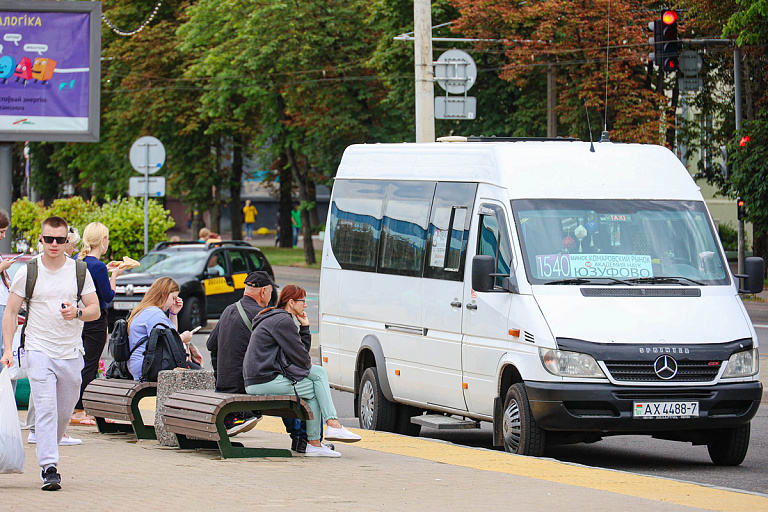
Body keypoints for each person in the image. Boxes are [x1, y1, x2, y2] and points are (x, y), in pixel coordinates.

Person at [1, 216, 100, 491]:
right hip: (37, 348)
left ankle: (49, 451)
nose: (54, 244)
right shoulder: (28, 271)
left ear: (67, 239)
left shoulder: (79, 271)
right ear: (41, 240)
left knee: (63, 412)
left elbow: (95, 309)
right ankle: (49, 467)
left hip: (70, 352)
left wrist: (77, 312)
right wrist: (8, 349)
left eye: (59, 239)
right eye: (48, 239)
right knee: (45, 408)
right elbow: (9, 313)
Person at [244, 284, 360, 457]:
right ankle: (332, 425)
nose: (305, 305)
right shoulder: (283, 321)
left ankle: (315, 444)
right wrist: (304, 332)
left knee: (314, 387)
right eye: (302, 301)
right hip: (264, 381)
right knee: (318, 375)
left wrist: (304, 327)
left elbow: (298, 356)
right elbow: (302, 359)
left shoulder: (275, 318)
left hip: (260, 379)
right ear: (291, 302)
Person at [206, 271, 274, 436]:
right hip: (245, 386)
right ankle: (304, 440)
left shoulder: (228, 310)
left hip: (223, 384)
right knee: (296, 390)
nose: (271, 295)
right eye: (271, 291)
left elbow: (210, 344)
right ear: (263, 291)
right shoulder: (261, 315)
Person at [71, 222, 124, 425]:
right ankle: (80, 409)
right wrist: (114, 276)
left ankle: (77, 407)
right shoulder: (98, 266)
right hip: (95, 318)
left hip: (78, 317)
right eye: (107, 238)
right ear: (103, 240)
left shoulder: (77, 260)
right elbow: (108, 295)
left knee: (77, 361)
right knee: (90, 363)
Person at [126, 277, 194, 381]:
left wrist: (173, 313)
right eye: (173, 297)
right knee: (198, 376)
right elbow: (169, 344)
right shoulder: (155, 314)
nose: (175, 301)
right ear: (164, 294)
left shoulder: (143, 310)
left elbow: (170, 335)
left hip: (138, 365)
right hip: (148, 368)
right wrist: (185, 337)